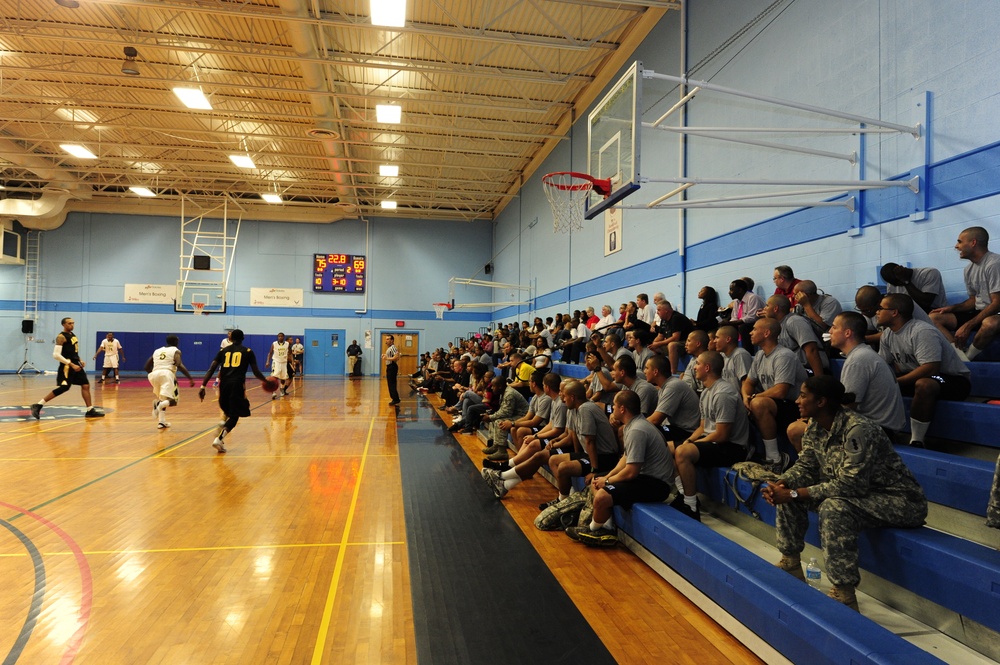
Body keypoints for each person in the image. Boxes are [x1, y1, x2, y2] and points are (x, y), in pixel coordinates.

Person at [763, 375, 927, 611]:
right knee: (790, 490)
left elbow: (852, 486)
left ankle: (844, 592)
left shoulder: (858, 430)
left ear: (821, 402)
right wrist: (782, 482)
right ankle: (791, 562)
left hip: (899, 500)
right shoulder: (816, 426)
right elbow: (807, 465)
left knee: (833, 507)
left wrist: (795, 494)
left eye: (803, 395)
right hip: (862, 496)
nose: (798, 400)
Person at [568, 390, 676, 547]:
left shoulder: (637, 430)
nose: (612, 409)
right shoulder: (632, 425)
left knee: (602, 496)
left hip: (657, 484)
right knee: (596, 481)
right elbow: (625, 459)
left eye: (615, 405)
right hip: (645, 477)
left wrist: (608, 480)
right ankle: (606, 526)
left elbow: (631, 472)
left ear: (623, 409)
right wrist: (607, 476)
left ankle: (593, 530)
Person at [787, 311, 906, 449]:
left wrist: (811, 420)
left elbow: (848, 406)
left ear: (848, 333)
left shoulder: (858, 360)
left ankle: (818, 470)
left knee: (796, 430)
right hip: (874, 425)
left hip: (879, 430)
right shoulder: (860, 354)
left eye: (834, 327)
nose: (830, 331)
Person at [877, 293, 971, 447]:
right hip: (920, 377)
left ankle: (917, 440)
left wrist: (895, 381)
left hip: (953, 380)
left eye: (881, 308)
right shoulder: (887, 335)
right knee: (877, 382)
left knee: (924, 384)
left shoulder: (922, 331)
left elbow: (931, 369)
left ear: (894, 312)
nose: (877, 312)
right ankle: (885, 431)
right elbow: (883, 364)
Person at [673, 350, 751, 521]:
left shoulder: (723, 393)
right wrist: (690, 440)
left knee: (682, 452)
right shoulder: (707, 391)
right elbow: (703, 427)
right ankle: (682, 493)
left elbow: (722, 435)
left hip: (732, 447)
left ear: (707, 368)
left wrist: (690, 446)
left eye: (698, 363)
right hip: (714, 441)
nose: (694, 367)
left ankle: (691, 505)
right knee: (668, 446)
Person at [742, 318, 807, 464]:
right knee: (741, 401)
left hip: (795, 406)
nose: (750, 333)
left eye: (754, 329)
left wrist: (753, 397)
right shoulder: (759, 355)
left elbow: (780, 391)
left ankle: (774, 458)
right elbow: (748, 382)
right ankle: (746, 450)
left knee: (758, 403)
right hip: (776, 405)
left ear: (766, 333)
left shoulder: (784, 355)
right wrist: (746, 396)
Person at [930, 226, 1000, 359]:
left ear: (973, 243)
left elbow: (997, 303)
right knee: (934, 317)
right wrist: (953, 308)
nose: (956, 246)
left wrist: (968, 325)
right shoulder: (968, 269)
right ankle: (959, 356)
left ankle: (968, 358)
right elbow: (973, 301)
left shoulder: (994, 263)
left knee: (990, 323)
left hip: (996, 313)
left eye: (960, 241)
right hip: (981, 312)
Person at [198, 328, 268, 453]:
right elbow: (256, 372)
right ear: (243, 338)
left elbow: (211, 369)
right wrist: (266, 381)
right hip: (237, 385)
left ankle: (222, 426)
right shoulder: (248, 351)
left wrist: (203, 386)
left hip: (223, 385)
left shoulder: (223, 351)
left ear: (230, 339)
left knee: (230, 411)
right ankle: (219, 439)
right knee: (235, 416)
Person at [31, 317, 104, 419]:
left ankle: (90, 410)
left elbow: (72, 351)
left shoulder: (72, 335)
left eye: (73, 323)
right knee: (64, 388)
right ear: (64, 325)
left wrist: (79, 359)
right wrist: (71, 364)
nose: (72, 325)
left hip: (75, 364)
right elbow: (56, 355)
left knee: (85, 385)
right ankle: (38, 405)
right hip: (67, 366)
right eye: (69, 323)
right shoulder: (61, 337)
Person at [642, 353, 701, 446]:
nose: (644, 371)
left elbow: (655, 420)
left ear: (655, 371)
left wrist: (634, 424)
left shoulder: (673, 386)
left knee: (642, 433)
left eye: (646, 368)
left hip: (685, 432)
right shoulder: (664, 386)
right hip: (675, 428)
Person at [145, 334, 195, 429]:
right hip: (167, 374)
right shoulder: (175, 351)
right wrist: (190, 378)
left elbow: (146, 366)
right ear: (176, 342)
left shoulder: (157, 351)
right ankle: (159, 405)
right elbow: (179, 364)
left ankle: (161, 422)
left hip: (153, 375)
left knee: (163, 398)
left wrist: (155, 374)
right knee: (173, 400)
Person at [880, 262, 947, 314]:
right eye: (894, 284)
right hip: (909, 315)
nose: (898, 285)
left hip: (934, 311)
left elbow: (925, 303)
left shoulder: (930, 273)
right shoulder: (892, 283)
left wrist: (906, 282)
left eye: (898, 282)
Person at [721, 279, 764, 353]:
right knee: (726, 328)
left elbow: (752, 317)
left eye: (731, 290)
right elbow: (734, 317)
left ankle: (749, 353)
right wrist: (727, 323)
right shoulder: (736, 301)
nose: (729, 292)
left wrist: (731, 323)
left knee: (743, 327)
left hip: (755, 324)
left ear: (740, 290)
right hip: (742, 324)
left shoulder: (752, 297)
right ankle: (729, 352)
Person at [716, 325, 753, 393]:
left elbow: (746, 382)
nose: (715, 341)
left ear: (728, 339)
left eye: (717, 337)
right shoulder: (721, 355)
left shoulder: (740, 354)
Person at [383, 334, 401, 405]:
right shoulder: (389, 348)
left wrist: (387, 358)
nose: (386, 340)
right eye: (386, 339)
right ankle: (394, 398)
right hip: (389, 366)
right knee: (390, 383)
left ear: (392, 340)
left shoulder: (393, 347)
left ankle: (396, 399)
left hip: (392, 367)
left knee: (392, 383)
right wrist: (385, 356)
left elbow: (397, 357)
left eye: (388, 339)